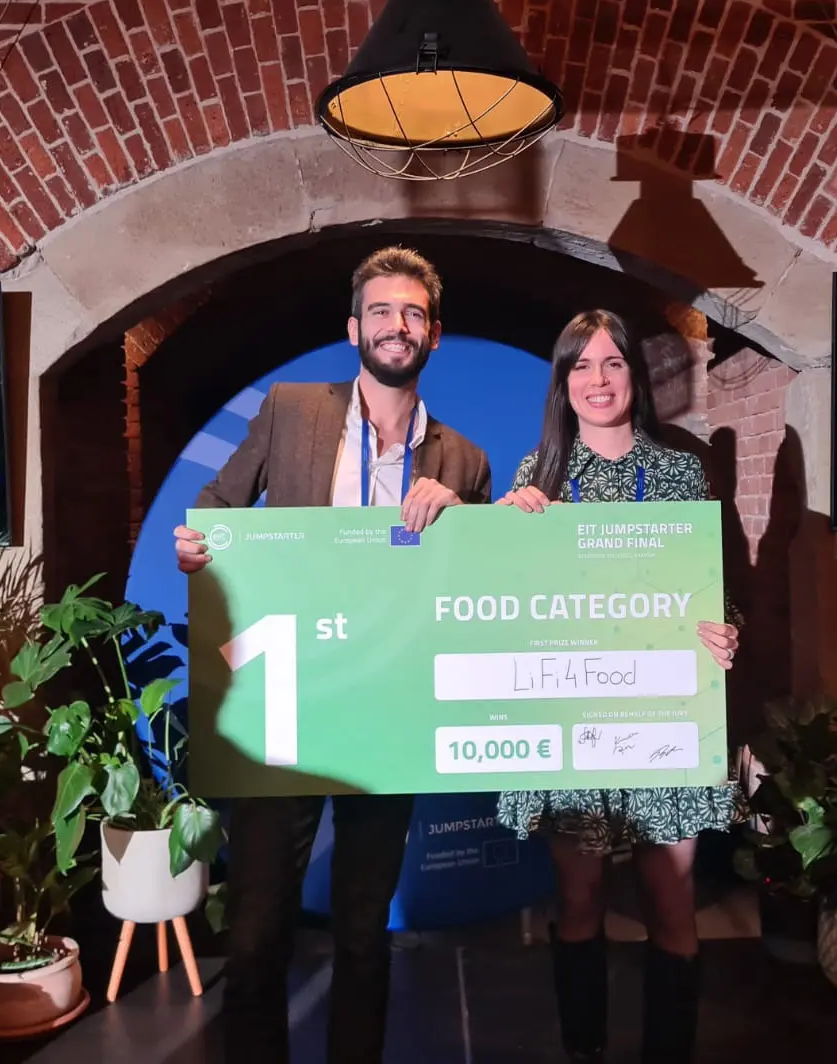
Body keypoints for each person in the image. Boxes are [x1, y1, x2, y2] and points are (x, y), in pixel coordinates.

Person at [174, 246, 492, 1064]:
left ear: (434, 334)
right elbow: (217, 505)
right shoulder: (292, 411)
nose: (397, 325)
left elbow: (478, 591)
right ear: (355, 329)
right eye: (381, 311)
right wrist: (196, 543)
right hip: (290, 704)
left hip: (388, 711)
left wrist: (461, 518)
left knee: (363, 933)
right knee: (255, 935)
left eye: (413, 313)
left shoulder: (463, 461)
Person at [495, 309, 741, 1064]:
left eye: (612, 363)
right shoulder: (536, 478)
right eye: (580, 365)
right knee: (578, 902)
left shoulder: (680, 473)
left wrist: (725, 630)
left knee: (672, 902)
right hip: (575, 718)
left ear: (635, 375)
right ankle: (586, 1052)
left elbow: (712, 590)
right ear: (562, 383)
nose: (597, 380)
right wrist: (501, 532)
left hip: (667, 713)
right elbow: (505, 601)